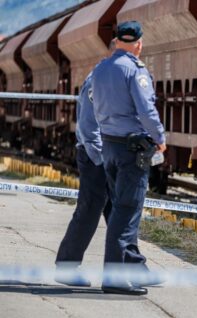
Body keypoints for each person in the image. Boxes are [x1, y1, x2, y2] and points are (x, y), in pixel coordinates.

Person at [92, 21, 166, 295]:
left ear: (116, 40)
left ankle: (134, 268)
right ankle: (113, 277)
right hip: (131, 149)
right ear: (139, 43)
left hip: (108, 145)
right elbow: (146, 110)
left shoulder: (101, 69)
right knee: (127, 211)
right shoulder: (135, 71)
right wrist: (159, 138)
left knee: (119, 208)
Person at [55, 46, 114, 287]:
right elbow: (89, 128)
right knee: (90, 210)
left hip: (109, 156)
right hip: (95, 157)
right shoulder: (98, 80)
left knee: (118, 211)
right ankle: (67, 267)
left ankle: (130, 266)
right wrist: (102, 159)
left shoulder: (112, 77)